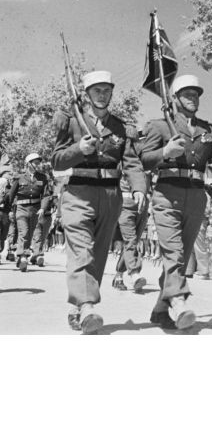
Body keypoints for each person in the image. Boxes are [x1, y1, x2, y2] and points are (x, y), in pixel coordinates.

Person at [52, 70, 147, 334]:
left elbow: (131, 162)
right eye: (97, 90)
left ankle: (79, 305)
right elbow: (56, 160)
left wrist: (139, 187)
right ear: (87, 94)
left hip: (110, 196)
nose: (102, 95)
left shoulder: (120, 127)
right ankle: (87, 306)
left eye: (107, 90)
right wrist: (77, 150)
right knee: (82, 250)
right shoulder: (72, 121)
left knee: (99, 253)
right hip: (78, 193)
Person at [141, 74, 212, 330]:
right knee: (173, 253)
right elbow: (142, 159)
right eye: (187, 94)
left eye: (196, 94)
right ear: (175, 98)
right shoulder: (159, 126)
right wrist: (165, 152)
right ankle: (178, 302)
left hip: (196, 195)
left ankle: (160, 310)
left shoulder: (208, 130)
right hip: (167, 194)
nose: (193, 98)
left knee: (181, 257)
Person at [7, 153, 52, 272]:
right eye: (35, 163)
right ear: (28, 164)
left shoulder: (43, 178)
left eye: (39, 163)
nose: (38, 165)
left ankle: (23, 256)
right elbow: (11, 195)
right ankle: (23, 256)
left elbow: (46, 195)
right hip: (21, 208)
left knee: (31, 233)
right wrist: (9, 210)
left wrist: (43, 208)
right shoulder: (19, 177)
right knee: (24, 232)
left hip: (35, 210)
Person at [112, 175, 150, 292]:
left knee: (133, 242)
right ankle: (134, 274)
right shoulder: (124, 163)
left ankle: (119, 276)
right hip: (125, 203)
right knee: (130, 240)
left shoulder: (149, 162)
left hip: (143, 204)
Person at [0, 165, 12, 261]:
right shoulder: (3, 182)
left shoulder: (10, 186)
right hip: (3, 212)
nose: (10, 175)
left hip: (5, 212)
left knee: (4, 234)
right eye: (8, 173)